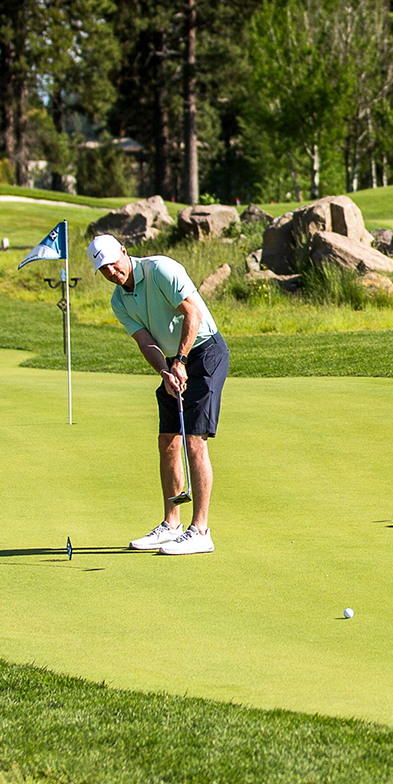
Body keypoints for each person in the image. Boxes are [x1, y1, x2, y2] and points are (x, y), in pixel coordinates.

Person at [92, 233, 230, 556]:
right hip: (173, 361)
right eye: (104, 270)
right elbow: (145, 342)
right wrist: (165, 371)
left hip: (205, 352)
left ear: (124, 252)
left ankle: (201, 530)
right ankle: (171, 525)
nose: (112, 272)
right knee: (168, 440)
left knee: (195, 439)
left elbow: (192, 314)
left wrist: (181, 361)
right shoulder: (119, 300)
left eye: (114, 264)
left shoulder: (161, 270)